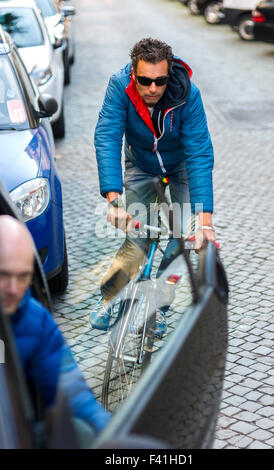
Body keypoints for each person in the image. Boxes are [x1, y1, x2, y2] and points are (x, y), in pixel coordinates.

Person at [91, 38, 216, 335]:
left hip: (181, 165)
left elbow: (199, 152)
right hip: (141, 164)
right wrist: (114, 200)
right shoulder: (119, 86)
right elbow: (107, 136)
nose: (153, 89)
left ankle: (158, 306)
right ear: (133, 74)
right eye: (145, 81)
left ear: (169, 74)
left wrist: (205, 222)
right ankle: (109, 298)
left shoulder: (188, 95)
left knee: (183, 238)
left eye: (160, 81)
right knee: (137, 236)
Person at [0, 215, 110, 448]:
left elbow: (69, 387)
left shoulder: (34, 320)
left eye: (23, 277)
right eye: (3, 275)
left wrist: (111, 436)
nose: (13, 289)